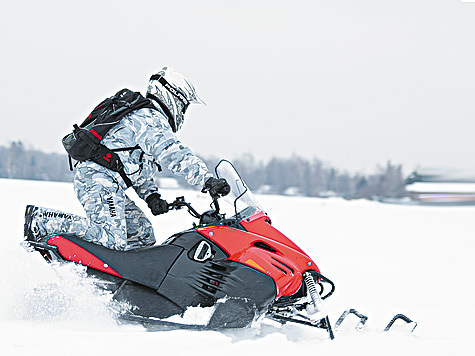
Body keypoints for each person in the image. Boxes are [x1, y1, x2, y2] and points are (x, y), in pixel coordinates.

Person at [24, 67, 230, 250]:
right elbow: (173, 153)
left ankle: (126, 288)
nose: (183, 113)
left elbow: (136, 166)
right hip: (97, 179)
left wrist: (151, 196)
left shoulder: (146, 118)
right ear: (173, 97)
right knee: (110, 239)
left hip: (107, 182)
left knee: (142, 235)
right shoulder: (149, 118)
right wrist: (206, 180)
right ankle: (44, 220)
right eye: (184, 106)